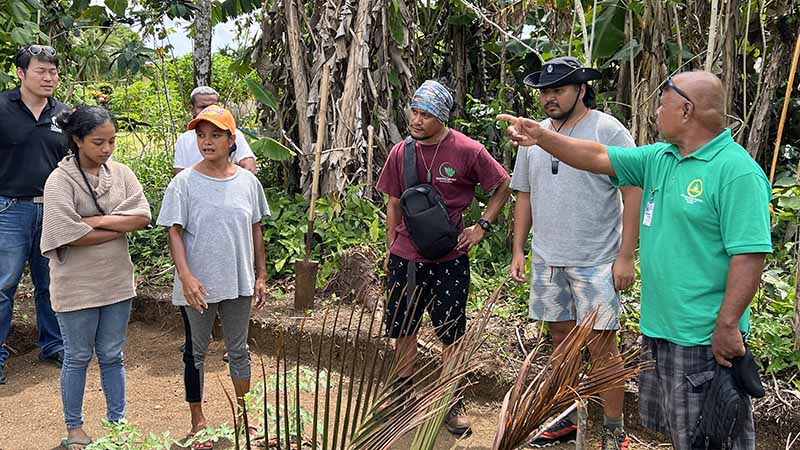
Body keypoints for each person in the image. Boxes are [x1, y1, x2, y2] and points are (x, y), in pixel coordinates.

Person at [499, 71, 771, 450]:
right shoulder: (661, 157)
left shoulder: (736, 171)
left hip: (702, 336)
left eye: (663, 103)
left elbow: (749, 254)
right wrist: (542, 136)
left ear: (687, 110)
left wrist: (727, 325)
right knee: (682, 433)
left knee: (712, 438)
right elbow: (595, 155)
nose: (657, 111)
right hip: (660, 329)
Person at [509, 57, 641, 450]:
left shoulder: (606, 129)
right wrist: (519, 248)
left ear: (581, 89)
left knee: (603, 347)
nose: (550, 98)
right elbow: (525, 192)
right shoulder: (533, 134)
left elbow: (632, 189)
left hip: (596, 258)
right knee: (561, 341)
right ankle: (568, 417)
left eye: (559, 90)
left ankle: (615, 431)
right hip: (548, 259)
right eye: (545, 91)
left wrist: (626, 255)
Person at [376, 79, 511, 435]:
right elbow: (392, 203)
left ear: (443, 117)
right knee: (402, 327)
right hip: (406, 258)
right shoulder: (400, 153)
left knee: (451, 333)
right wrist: (392, 249)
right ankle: (402, 395)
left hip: (450, 258)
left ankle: (449, 402)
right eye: (414, 112)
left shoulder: (468, 150)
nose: (417, 120)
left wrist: (481, 226)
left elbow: (502, 184)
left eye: (426, 114)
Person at [157, 105, 270, 450]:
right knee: (195, 352)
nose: (207, 142)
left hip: (238, 281)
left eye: (215, 135)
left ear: (231, 139)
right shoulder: (184, 183)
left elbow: (256, 230)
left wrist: (261, 275)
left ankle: (245, 416)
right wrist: (186, 277)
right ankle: (198, 422)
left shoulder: (248, 182)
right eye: (201, 135)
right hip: (198, 286)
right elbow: (174, 232)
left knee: (239, 351)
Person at [40, 105, 151, 450]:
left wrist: (93, 223)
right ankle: (74, 429)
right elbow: (63, 232)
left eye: (112, 142)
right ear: (77, 140)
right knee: (76, 356)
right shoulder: (59, 180)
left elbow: (143, 216)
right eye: (98, 142)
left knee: (113, 354)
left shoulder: (121, 174)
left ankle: (117, 425)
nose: (106, 149)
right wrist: (114, 225)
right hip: (76, 285)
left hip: (117, 281)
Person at [0, 44, 68, 384]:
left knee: (51, 283)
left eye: (53, 71)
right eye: (41, 70)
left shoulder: (64, 114)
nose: (49, 77)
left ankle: (54, 345)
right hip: (8, 208)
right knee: (4, 284)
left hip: (52, 209)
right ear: (21, 73)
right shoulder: (1, 107)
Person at [173, 86, 257, 175]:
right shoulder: (184, 139)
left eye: (216, 135)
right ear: (192, 109)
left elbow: (249, 164)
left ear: (231, 140)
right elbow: (180, 173)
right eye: (203, 107)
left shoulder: (232, 133)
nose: (209, 111)